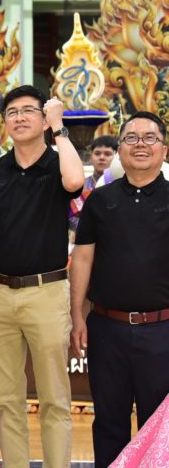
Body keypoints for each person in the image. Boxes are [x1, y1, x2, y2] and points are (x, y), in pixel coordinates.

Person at [0, 85, 84, 468]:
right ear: (5, 123)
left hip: (46, 291)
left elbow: (74, 183)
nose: (19, 117)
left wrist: (60, 128)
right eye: (12, 112)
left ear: (43, 118)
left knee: (55, 398)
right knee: (7, 400)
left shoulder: (58, 163)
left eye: (28, 110)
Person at [69, 112, 169, 467]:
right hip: (107, 329)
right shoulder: (100, 199)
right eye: (131, 138)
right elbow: (82, 258)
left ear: (164, 149)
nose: (140, 145)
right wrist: (77, 315)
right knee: (109, 422)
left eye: (149, 138)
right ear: (120, 148)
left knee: (159, 426)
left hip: (162, 331)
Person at [68, 135, 117, 234]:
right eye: (97, 153)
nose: (102, 158)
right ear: (91, 157)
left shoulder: (121, 185)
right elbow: (71, 217)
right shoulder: (80, 185)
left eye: (107, 154)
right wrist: (91, 232)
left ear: (116, 157)